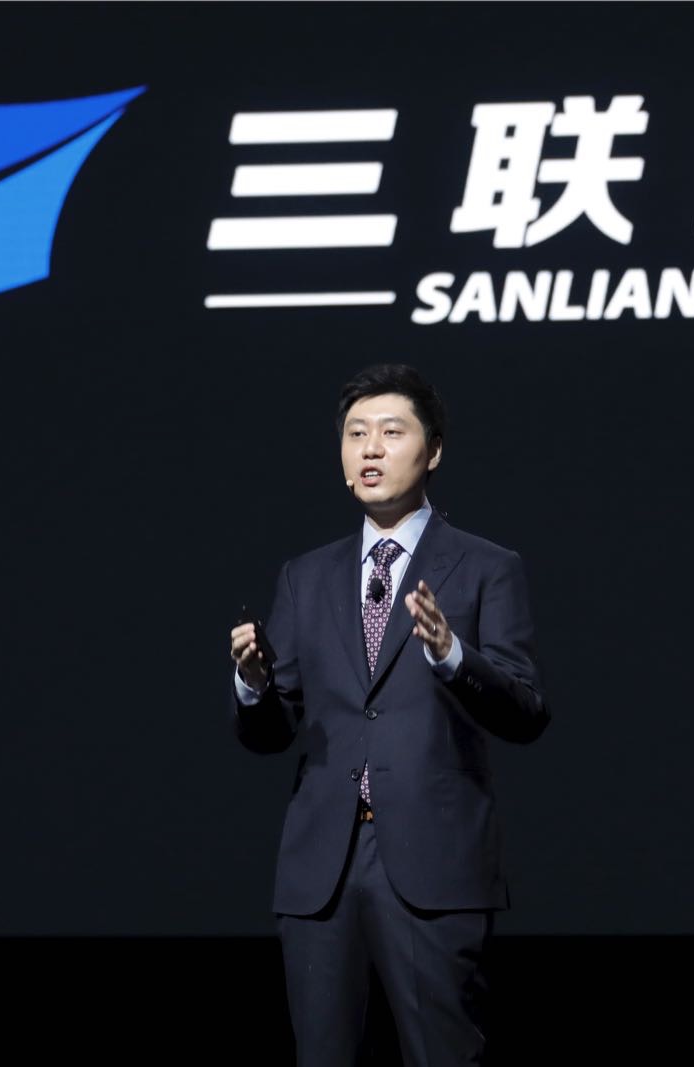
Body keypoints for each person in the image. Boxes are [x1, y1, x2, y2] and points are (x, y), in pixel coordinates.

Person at [229, 363, 549, 1066]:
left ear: (433, 451)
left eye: (391, 432)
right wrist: (253, 685)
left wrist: (451, 653)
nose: (370, 448)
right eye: (355, 434)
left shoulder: (487, 566)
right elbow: (273, 730)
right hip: (323, 870)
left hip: (434, 863)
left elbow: (527, 710)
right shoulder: (305, 576)